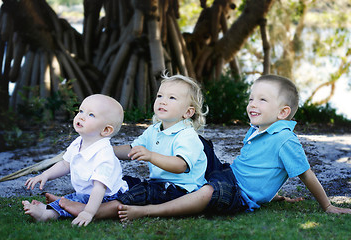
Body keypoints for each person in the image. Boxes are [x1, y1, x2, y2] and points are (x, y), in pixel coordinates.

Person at [62, 74, 351, 221]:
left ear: (283, 112)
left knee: (209, 192)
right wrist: (99, 147)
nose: (252, 104)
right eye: (252, 98)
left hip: (235, 190)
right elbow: (263, 170)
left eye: (262, 100)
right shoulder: (263, 130)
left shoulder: (285, 140)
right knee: (201, 145)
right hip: (229, 174)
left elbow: (306, 174)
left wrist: (327, 206)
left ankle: (138, 211)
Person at [44, 73, 209, 220]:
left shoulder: (187, 135)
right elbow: (131, 150)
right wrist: (102, 150)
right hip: (158, 184)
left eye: (172, 98)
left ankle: (92, 210)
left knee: (137, 194)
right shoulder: (154, 130)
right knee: (123, 184)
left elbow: (180, 165)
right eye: (160, 96)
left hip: (180, 190)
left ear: (188, 112)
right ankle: (83, 200)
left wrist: (151, 156)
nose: (163, 101)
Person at [22, 94, 128, 226]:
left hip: (105, 197)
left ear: (106, 130)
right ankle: (62, 203)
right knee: (76, 198)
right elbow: (65, 164)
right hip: (87, 193)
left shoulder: (104, 155)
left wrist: (88, 212)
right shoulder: (79, 142)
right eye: (81, 111)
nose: (81, 116)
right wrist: (45, 175)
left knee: (78, 200)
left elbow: (99, 188)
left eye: (91, 115)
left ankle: (47, 213)